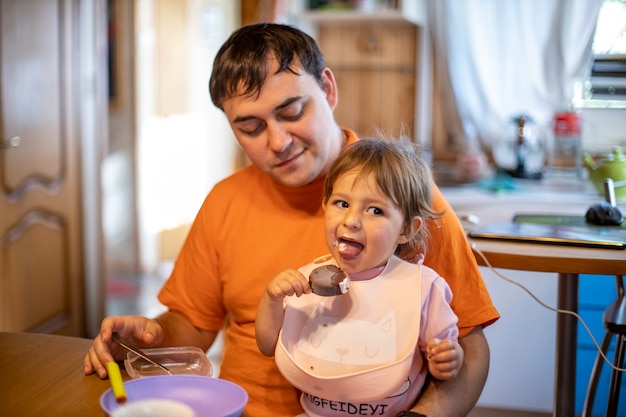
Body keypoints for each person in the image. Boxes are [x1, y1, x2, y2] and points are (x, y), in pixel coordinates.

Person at [84, 22, 500, 417]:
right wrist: (140, 341)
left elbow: (469, 343)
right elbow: (192, 324)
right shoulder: (226, 200)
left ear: (328, 89)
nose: (278, 142)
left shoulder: (403, 198)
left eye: (292, 111)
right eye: (250, 127)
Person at [256, 138, 464, 417]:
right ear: (325, 206)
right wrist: (271, 298)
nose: (351, 220)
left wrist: (449, 359)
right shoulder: (304, 282)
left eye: (375, 210)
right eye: (342, 203)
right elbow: (267, 344)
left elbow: (446, 349)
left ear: (406, 229)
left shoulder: (422, 287)